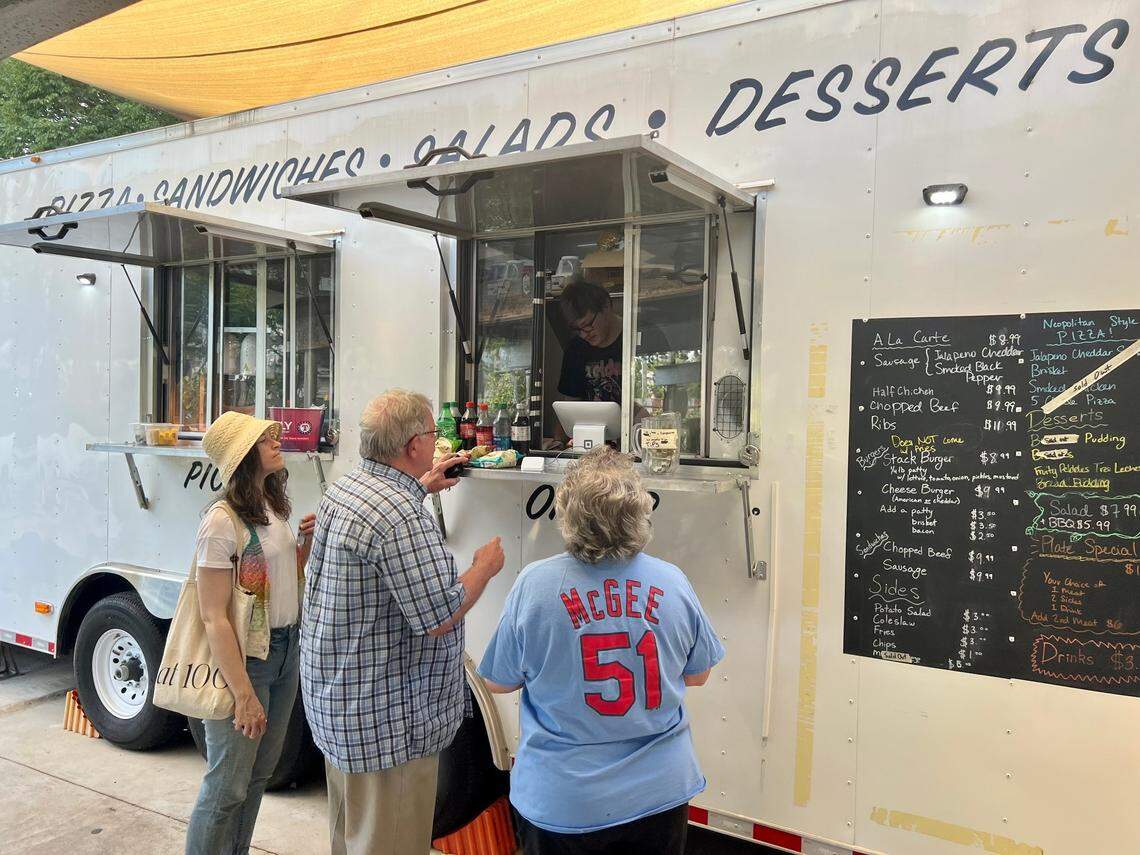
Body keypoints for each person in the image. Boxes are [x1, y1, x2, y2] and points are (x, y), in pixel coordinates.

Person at [478, 447, 724, 854]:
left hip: (563, 801)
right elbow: (698, 674)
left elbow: (498, 682)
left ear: (567, 515)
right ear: (640, 513)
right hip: (658, 795)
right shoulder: (672, 581)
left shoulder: (535, 586)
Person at [300, 389, 506, 855]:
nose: (436, 440)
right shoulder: (400, 516)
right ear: (413, 445)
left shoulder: (347, 489)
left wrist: (423, 485)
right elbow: (439, 614)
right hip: (389, 730)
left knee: (351, 837)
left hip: (345, 713)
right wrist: (483, 568)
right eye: (433, 434)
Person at [185, 412, 317, 855]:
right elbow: (213, 616)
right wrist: (242, 694)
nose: (277, 442)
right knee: (226, 787)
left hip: (285, 650)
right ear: (243, 457)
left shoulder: (272, 507)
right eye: (265, 440)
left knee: (258, 776)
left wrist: (304, 547)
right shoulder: (221, 522)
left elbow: (279, 582)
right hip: (247, 662)